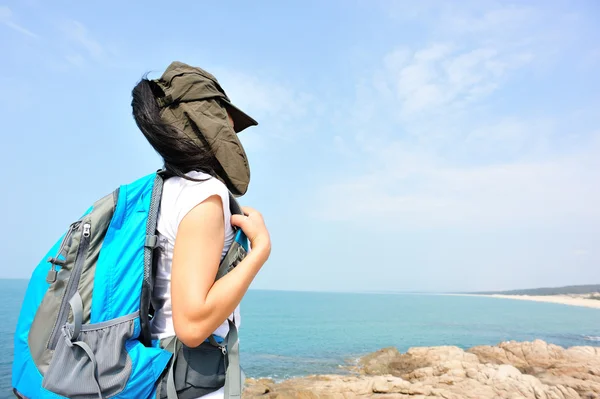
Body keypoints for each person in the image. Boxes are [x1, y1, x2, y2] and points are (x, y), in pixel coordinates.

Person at [131, 61, 271, 398]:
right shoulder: (203, 194)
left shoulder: (164, 189)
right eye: (227, 123)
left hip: (163, 368)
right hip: (190, 378)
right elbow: (192, 326)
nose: (233, 135)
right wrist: (260, 251)